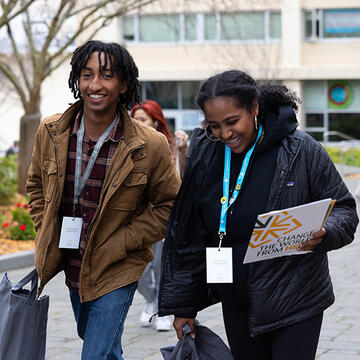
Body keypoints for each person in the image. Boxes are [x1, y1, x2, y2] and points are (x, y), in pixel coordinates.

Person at [158, 70, 358, 360]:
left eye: (232, 122)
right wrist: (185, 307)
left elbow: (344, 209)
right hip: (237, 301)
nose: (225, 134)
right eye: (214, 125)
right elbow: (191, 234)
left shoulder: (300, 150)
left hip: (295, 298)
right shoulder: (207, 155)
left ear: (254, 108)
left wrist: (325, 231)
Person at [26, 40, 181, 359]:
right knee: (101, 345)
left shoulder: (149, 145)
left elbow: (169, 206)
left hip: (118, 263)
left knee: (95, 354)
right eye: (87, 75)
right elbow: (36, 186)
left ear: (123, 84)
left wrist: (125, 240)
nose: (95, 85)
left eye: (107, 76)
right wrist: (47, 231)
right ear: (77, 80)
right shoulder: (51, 131)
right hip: (71, 259)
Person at [130, 100, 188, 331]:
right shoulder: (128, 146)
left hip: (165, 216)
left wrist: (183, 151)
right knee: (139, 270)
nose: (137, 124)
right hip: (137, 218)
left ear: (155, 121)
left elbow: (183, 181)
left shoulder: (171, 146)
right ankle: (151, 299)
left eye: (142, 119)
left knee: (161, 266)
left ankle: (162, 307)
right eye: (134, 119)